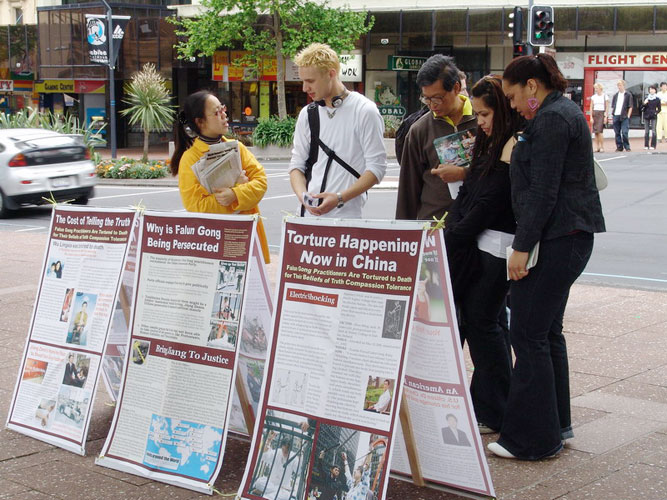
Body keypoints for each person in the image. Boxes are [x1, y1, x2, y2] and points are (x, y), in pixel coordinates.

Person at [491, 54, 605, 461]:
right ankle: (555, 426)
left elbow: (543, 190)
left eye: (513, 97)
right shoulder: (559, 112)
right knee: (545, 331)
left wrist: (521, 248)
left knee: (527, 333)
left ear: (532, 86)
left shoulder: (553, 118)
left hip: (558, 237)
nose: (513, 105)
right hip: (566, 236)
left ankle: (533, 439)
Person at [444, 75, 521, 434]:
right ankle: (490, 404)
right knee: (484, 323)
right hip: (476, 242)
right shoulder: (489, 141)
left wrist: (455, 233)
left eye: (486, 114)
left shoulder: (511, 143)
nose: (481, 121)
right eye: (477, 114)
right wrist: (453, 229)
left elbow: (491, 201)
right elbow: (470, 192)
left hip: (497, 245)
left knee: (483, 323)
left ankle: (495, 407)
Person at [288, 43, 386, 218]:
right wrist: (304, 198)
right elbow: (296, 165)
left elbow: (376, 168)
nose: (304, 88)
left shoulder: (365, 111)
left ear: (331, 74)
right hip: (306, 219)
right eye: (302, 81)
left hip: (346, 220)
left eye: (310, 81)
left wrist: (340, 198)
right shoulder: (308, 114)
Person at [170, 90, 270, 262]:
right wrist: (236, 190)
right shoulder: (190, 158)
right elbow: (196, 207)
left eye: (223, 109)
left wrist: (234, 195)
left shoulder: (237, 147)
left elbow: (261, 183)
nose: (224, 115)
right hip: (213, 241)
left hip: (245, 234)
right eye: (217, 112)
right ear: (200, 122)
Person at [396, 54, 476, 220]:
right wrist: (403, 230)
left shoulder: (483, 120)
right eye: (427, 99)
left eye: (438, 98)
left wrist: (465, 173)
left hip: (477, 223)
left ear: (456, 88)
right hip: (435, 225)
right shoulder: (419, 130)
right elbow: (408, 190)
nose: (432, 105)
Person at [253, 432, 299, 500]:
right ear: (281, 447)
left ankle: (264, 494)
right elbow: (264, 456)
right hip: (271, 484)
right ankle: (272, 493)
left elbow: (299, 471)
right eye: (283, 450)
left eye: (287, 451)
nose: (284, 452)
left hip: (283, 488)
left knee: (286, 496)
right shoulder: (277, 452)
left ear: (290, 449)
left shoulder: (294, 458)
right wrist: (268, 441)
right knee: (259, 482)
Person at [611, 80, 633, 152]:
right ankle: (619, 146)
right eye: (618, 85)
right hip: (616, 114)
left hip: (624, 115)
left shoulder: (628, 95)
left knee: (624, 132)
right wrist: (613, 114)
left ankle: (627, 146)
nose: (619, 87)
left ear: (624, 86)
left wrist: (628, 115)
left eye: (620, 85)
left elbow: (630, 106)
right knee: (617, 132)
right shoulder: (615, 95)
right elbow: (613, 105)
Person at [589, 82, 610, 153]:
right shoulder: (593, 97)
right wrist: (591, 117)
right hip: (595, 113)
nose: (596, 90)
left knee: (600, 131)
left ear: (600, 88)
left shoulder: (605, 96)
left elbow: (607, 107)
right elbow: (591, 107)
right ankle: (597, 146)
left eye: (597, 88)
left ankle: (602, 147)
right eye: (595, 88)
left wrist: (606, 116)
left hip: (601, 113)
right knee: (595, 132)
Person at [640, 85, 661, 150]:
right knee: (646, 131)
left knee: (653, 131)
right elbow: (641, 107)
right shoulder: (647, 98)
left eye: (653, 89)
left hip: (653, 116)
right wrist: (644, 103)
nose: (651, 90)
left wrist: (655, 112)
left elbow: (659, 109)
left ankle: (653, 145)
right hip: (647, 115)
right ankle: (646, 145)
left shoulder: (657, 99)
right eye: (650, 89)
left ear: (655, 90)